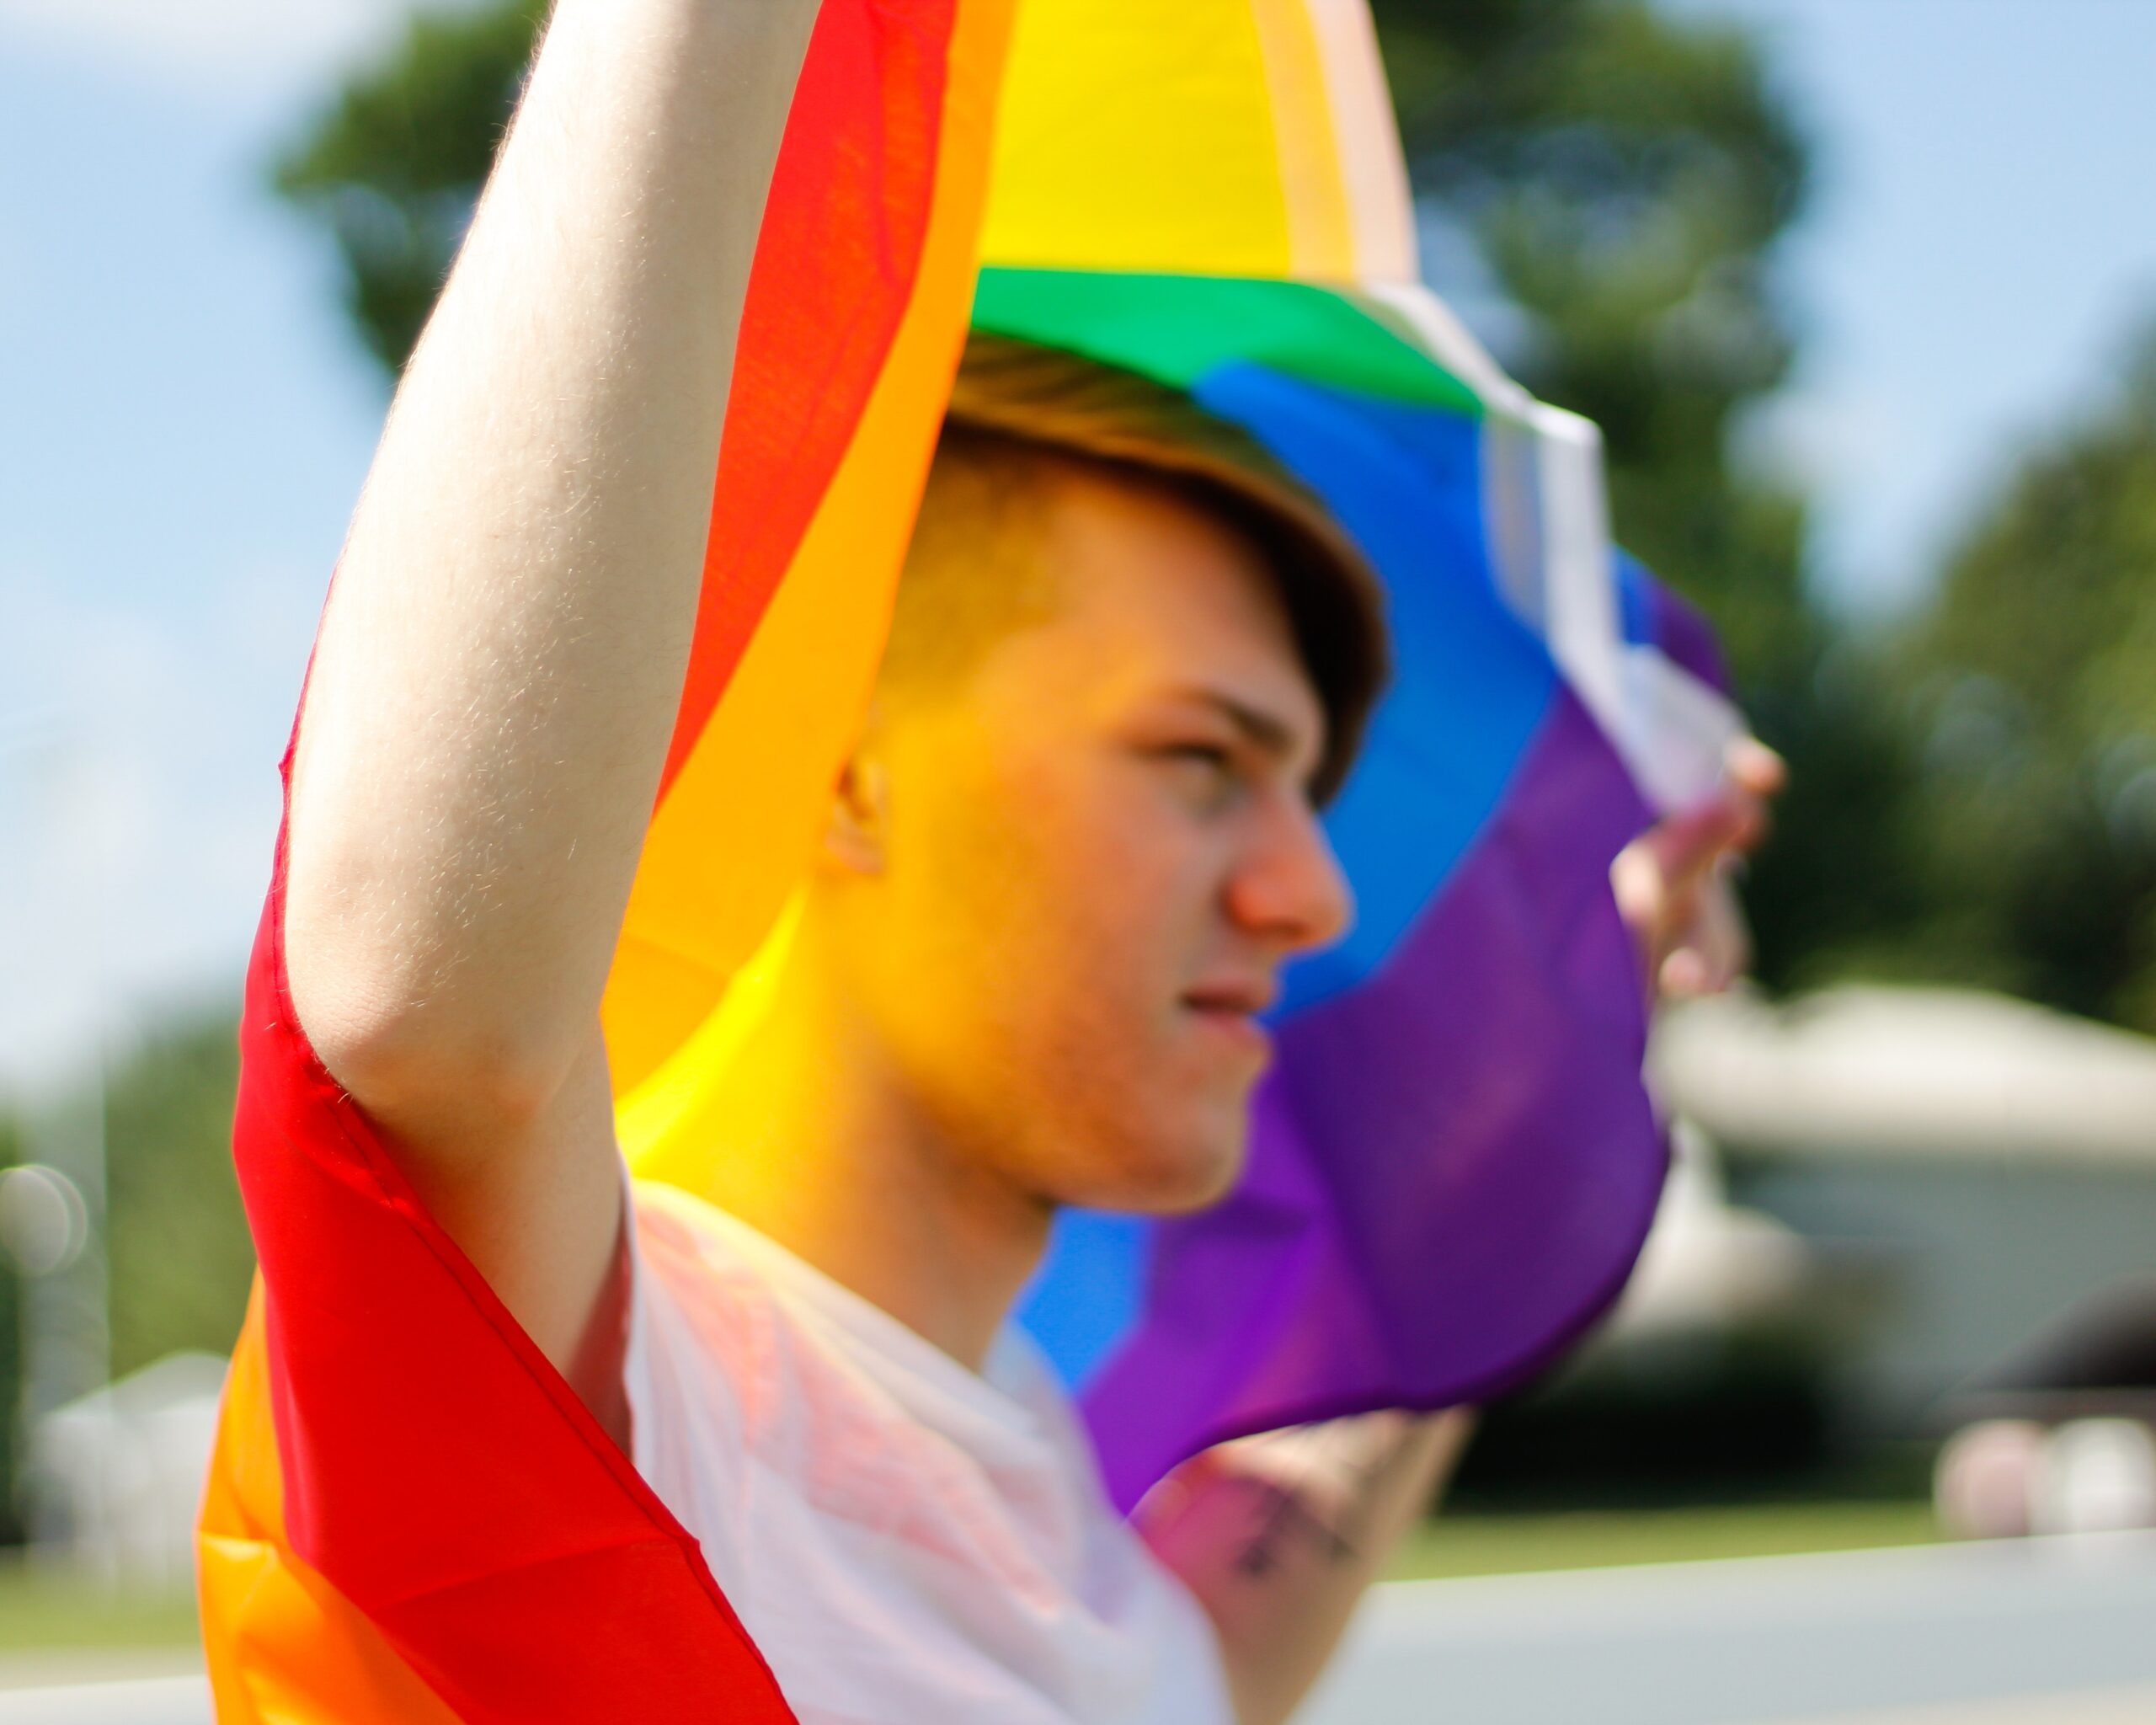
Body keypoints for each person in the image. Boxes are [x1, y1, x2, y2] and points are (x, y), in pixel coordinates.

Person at [268, 3, 1780, 1721]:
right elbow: (421, 1009)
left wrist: (1556, 1016)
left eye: (1303, 783)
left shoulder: (1045, 1509)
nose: (1312, 893)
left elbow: (1214, 1661)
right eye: (1198, 760)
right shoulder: (624, 1405)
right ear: (835, 766)